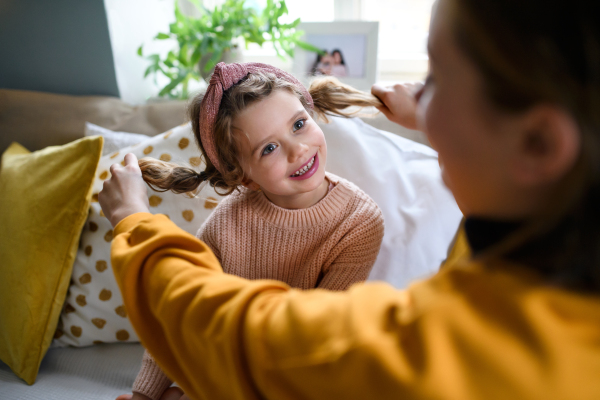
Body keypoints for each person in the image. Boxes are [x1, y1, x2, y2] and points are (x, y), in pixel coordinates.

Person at [100, 0, 600, 398]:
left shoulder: (440, 342)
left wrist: (134, 221)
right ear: (242, 175)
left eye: (439, 79)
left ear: (539, 144)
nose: (420, 101)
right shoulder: (530, 240)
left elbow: (258, 344)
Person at [115, 63, 385, 400]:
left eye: (299, 125)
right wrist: (145, 394)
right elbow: (179, 310)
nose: (297, 150)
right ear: (244, 176)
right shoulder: (227, 222)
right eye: (268, 148)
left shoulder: (359, 222)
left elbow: (317, 340)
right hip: (221, 359)